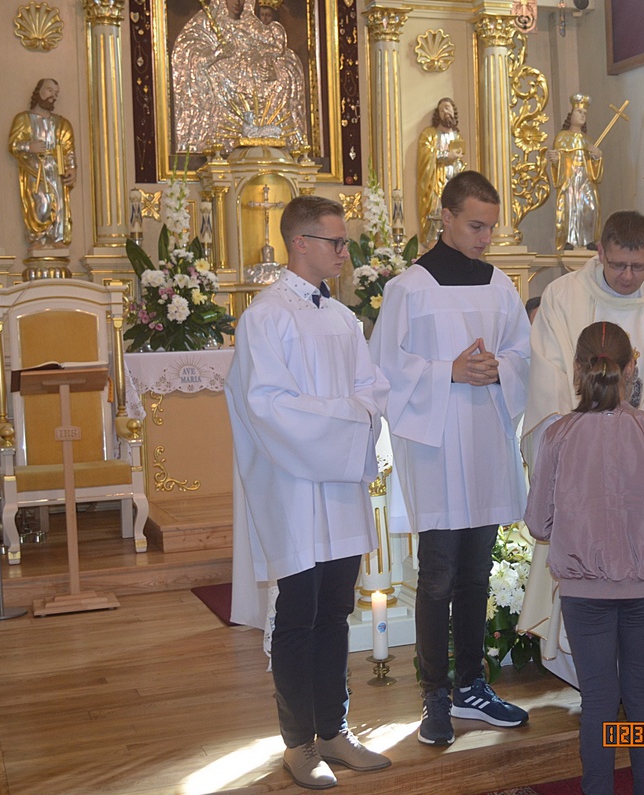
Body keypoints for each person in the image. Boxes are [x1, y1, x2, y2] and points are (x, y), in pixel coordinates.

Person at [226, 195, 392, 790]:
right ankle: (298, 742)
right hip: (294, 487)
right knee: (299, 614)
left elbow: (373, 390)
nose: (346, 252)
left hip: (339, 486)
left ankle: (334, 730)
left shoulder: (343, 319)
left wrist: (346, 415)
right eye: (335, 242)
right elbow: (268, 408)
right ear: (300, 243)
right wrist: (345, 416)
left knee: (336, 611)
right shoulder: (265, 318)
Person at [369, 170, 531, 746]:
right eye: (476, 226)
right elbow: (385, 370)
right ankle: (434, 694)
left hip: (484, 443)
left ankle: (472, 686)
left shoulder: (500, 286)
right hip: (436, 448)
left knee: (476, 572)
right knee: (437, 576)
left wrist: (500, 369)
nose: (486, 238)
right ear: (447, 218)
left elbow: (523, 354)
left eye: (491, 228)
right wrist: (450, 372)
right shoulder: (409, 288)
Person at [520, 209, 644, 710]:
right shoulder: (563, 296)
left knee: (641, 596)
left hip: (640, 467)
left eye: (638, 267)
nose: (628, 276)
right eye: (618, 264)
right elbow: (550, 378)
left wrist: (643, 440)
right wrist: (579, 441)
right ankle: (602, 684)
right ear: (600, 252)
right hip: (583, 467)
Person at [524, 321, 644, 795]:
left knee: (598, 700)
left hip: (584, 590)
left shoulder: (558, 435)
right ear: (632, 367)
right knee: (642, 698)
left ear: (577, 370)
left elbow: (538, 524)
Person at [172, 0, 308, 152]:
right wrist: (216, 54)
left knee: (285, 72)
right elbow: (189, 54)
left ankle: (276, 138)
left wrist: (271, 66)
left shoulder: (256, 26)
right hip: (225, 82)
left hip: (256, 77)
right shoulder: (206, 23)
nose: (237, 2)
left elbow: (277, 51)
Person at [9, 78, 76, 250]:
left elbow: (68, 148)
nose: (53, 96)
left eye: (56, 93)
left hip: (55, 169)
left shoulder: (61, 123)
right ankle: (37, 237)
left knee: (59, 204)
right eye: (49, 90)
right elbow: (14, 144)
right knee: (41, 202)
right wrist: (29, 147)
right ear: (38, 91)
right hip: (34, 169)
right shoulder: (23, 119)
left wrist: (71, 167)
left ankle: (57, 237)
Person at [547, 93, 603, 252]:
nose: (582, 115)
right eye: (579, 112)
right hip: (570, 181)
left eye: (585, 113)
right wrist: (556, 159)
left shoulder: (588, 140)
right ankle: (569, 240)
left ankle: (589, 240)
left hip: (586, 181)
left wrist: (597, 157)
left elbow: (595, 170)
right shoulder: (562, 137)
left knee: (589, 208)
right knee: (571, 209)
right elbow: (558, 160)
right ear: (571, 115)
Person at [417, 98, 467, 250]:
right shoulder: (429, 135)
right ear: (438, 114)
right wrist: (446, 156)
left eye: (448, 108)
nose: (445, 111)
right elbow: (425, 156)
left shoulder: (457, 137)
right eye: (442, 109)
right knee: (436, 212)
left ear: (454, 111)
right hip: (435, 183)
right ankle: (433, 243)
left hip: (453, 182)